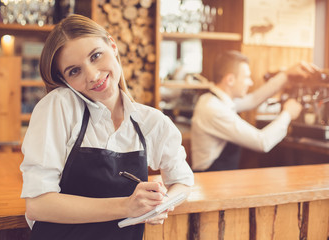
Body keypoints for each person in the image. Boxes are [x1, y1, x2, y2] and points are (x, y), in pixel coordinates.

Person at [20, 14, 194, 240]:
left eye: (95, 56)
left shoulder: (152, 122)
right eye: (74, 71)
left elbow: (183, 182)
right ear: (65, 81)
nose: (92, 76)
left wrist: (158, 205)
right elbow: (39, 205)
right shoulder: (59, 105)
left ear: (112, 46)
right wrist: (127, 206)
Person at [191, 50, 319, 172]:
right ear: (230, 80)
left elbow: (253, 99)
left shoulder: (213, 99)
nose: (251, 82)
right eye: (247, 77)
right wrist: (287, 114)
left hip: (219, 178)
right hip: (210, 180)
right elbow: (262, 142)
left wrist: (285, 75)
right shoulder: (214, 109)